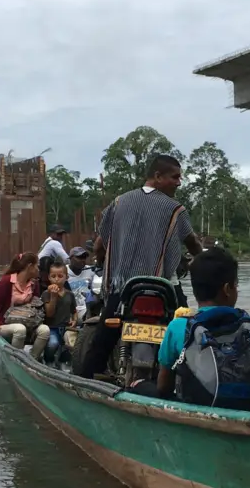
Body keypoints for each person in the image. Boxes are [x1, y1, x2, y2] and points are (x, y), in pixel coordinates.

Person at [74, 154, 203, 378]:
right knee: (188, 334)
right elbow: (192, 243)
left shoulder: (119, 203)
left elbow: (100, 245)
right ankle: (193, 381)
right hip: (165, 286)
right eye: (175, 177)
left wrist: (104, 263)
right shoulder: (175, 209)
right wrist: (202, 260)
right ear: (157, 176)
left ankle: (84, 383)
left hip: (124, 287)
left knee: (101, 344)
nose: (179, 183)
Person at [140, 247, 250, 413]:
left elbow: (164, 387)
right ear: (227, 289)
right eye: (236, 285)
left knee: (140, 386)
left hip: (196, 415)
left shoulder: (178, 327)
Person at [0, 252, 50, 359]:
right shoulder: (6, 281)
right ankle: (16, 360)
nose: (38, 269)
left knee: (45, 330)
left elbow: (36, 306)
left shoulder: (34, 284)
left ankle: (33, 359)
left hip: (28, 322)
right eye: (37, 266)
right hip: (6, 324)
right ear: (30, 266)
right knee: (20, 329)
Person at [41, 261, 77, 365]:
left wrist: (74, 320)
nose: (56, 279)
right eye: (53, 276)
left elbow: (74, 311)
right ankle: (48, 359)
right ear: (49, 277)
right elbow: (49, 313)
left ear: (66, 277)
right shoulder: (46, 293)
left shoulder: (70, 294)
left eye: (60, 276)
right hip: (51, 328)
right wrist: (53, 296)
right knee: (52, 344)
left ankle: (64, 361)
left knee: (73, 345)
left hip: (66, 328)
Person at [66, 246, 99, 321]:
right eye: (79, 257)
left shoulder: (90, 271)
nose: (83, 260)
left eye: (84, 257)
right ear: (71, 258)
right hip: (72, 309)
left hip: (88, 307)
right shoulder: (64, 271)